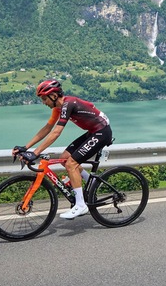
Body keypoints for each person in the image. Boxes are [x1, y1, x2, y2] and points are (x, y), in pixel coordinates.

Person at [13, 79, 113, 220]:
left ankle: (80, 205)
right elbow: (47, 129)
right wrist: (26, 147)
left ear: (53, 96)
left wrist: (35, 153)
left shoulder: (68, 104)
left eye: (44, 99)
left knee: (71, 164)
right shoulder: (58, 108)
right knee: (64, 158)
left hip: (102, 132)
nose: (43, 102)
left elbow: (56, 132)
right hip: (93, 131)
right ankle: (90, 181)